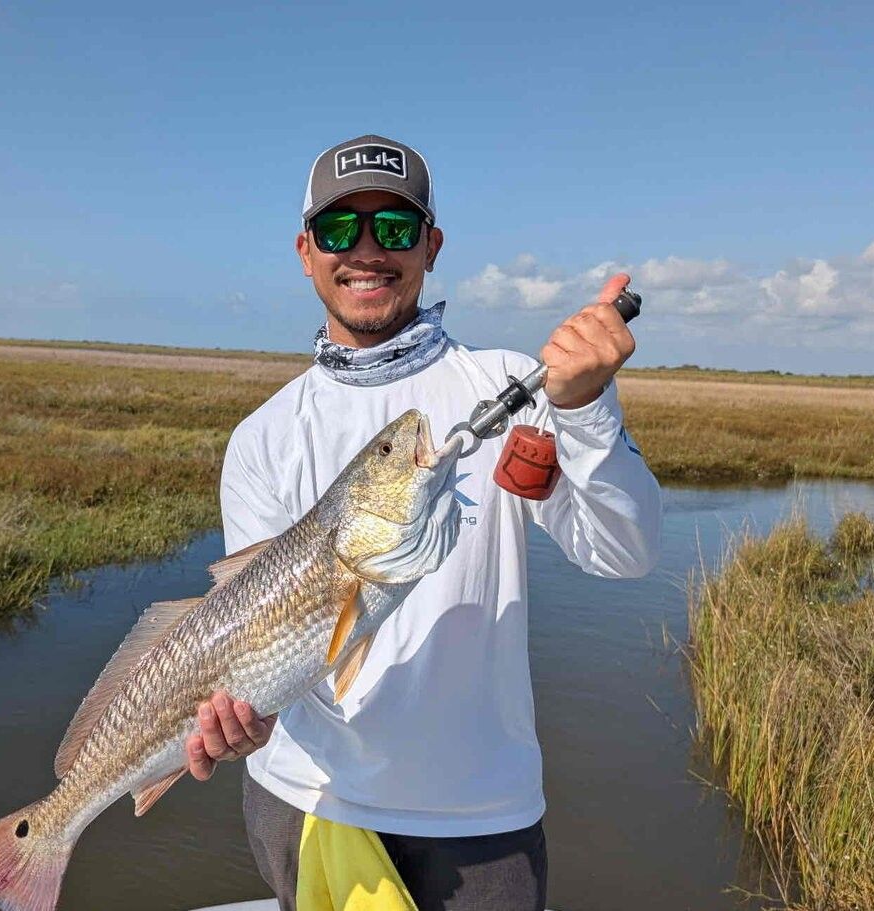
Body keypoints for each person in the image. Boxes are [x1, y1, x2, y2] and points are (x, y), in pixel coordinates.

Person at [184, 134, 662, 911]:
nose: (367, 250)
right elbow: (261, 629)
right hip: (304, 797)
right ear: (306, 251)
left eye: (395, 229)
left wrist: (585, 409)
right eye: (340, 230)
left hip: (478, 821)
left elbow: (628, 552)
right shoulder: (263, 437)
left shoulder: (510, 385)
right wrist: (241, 721)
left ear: (432, 246)